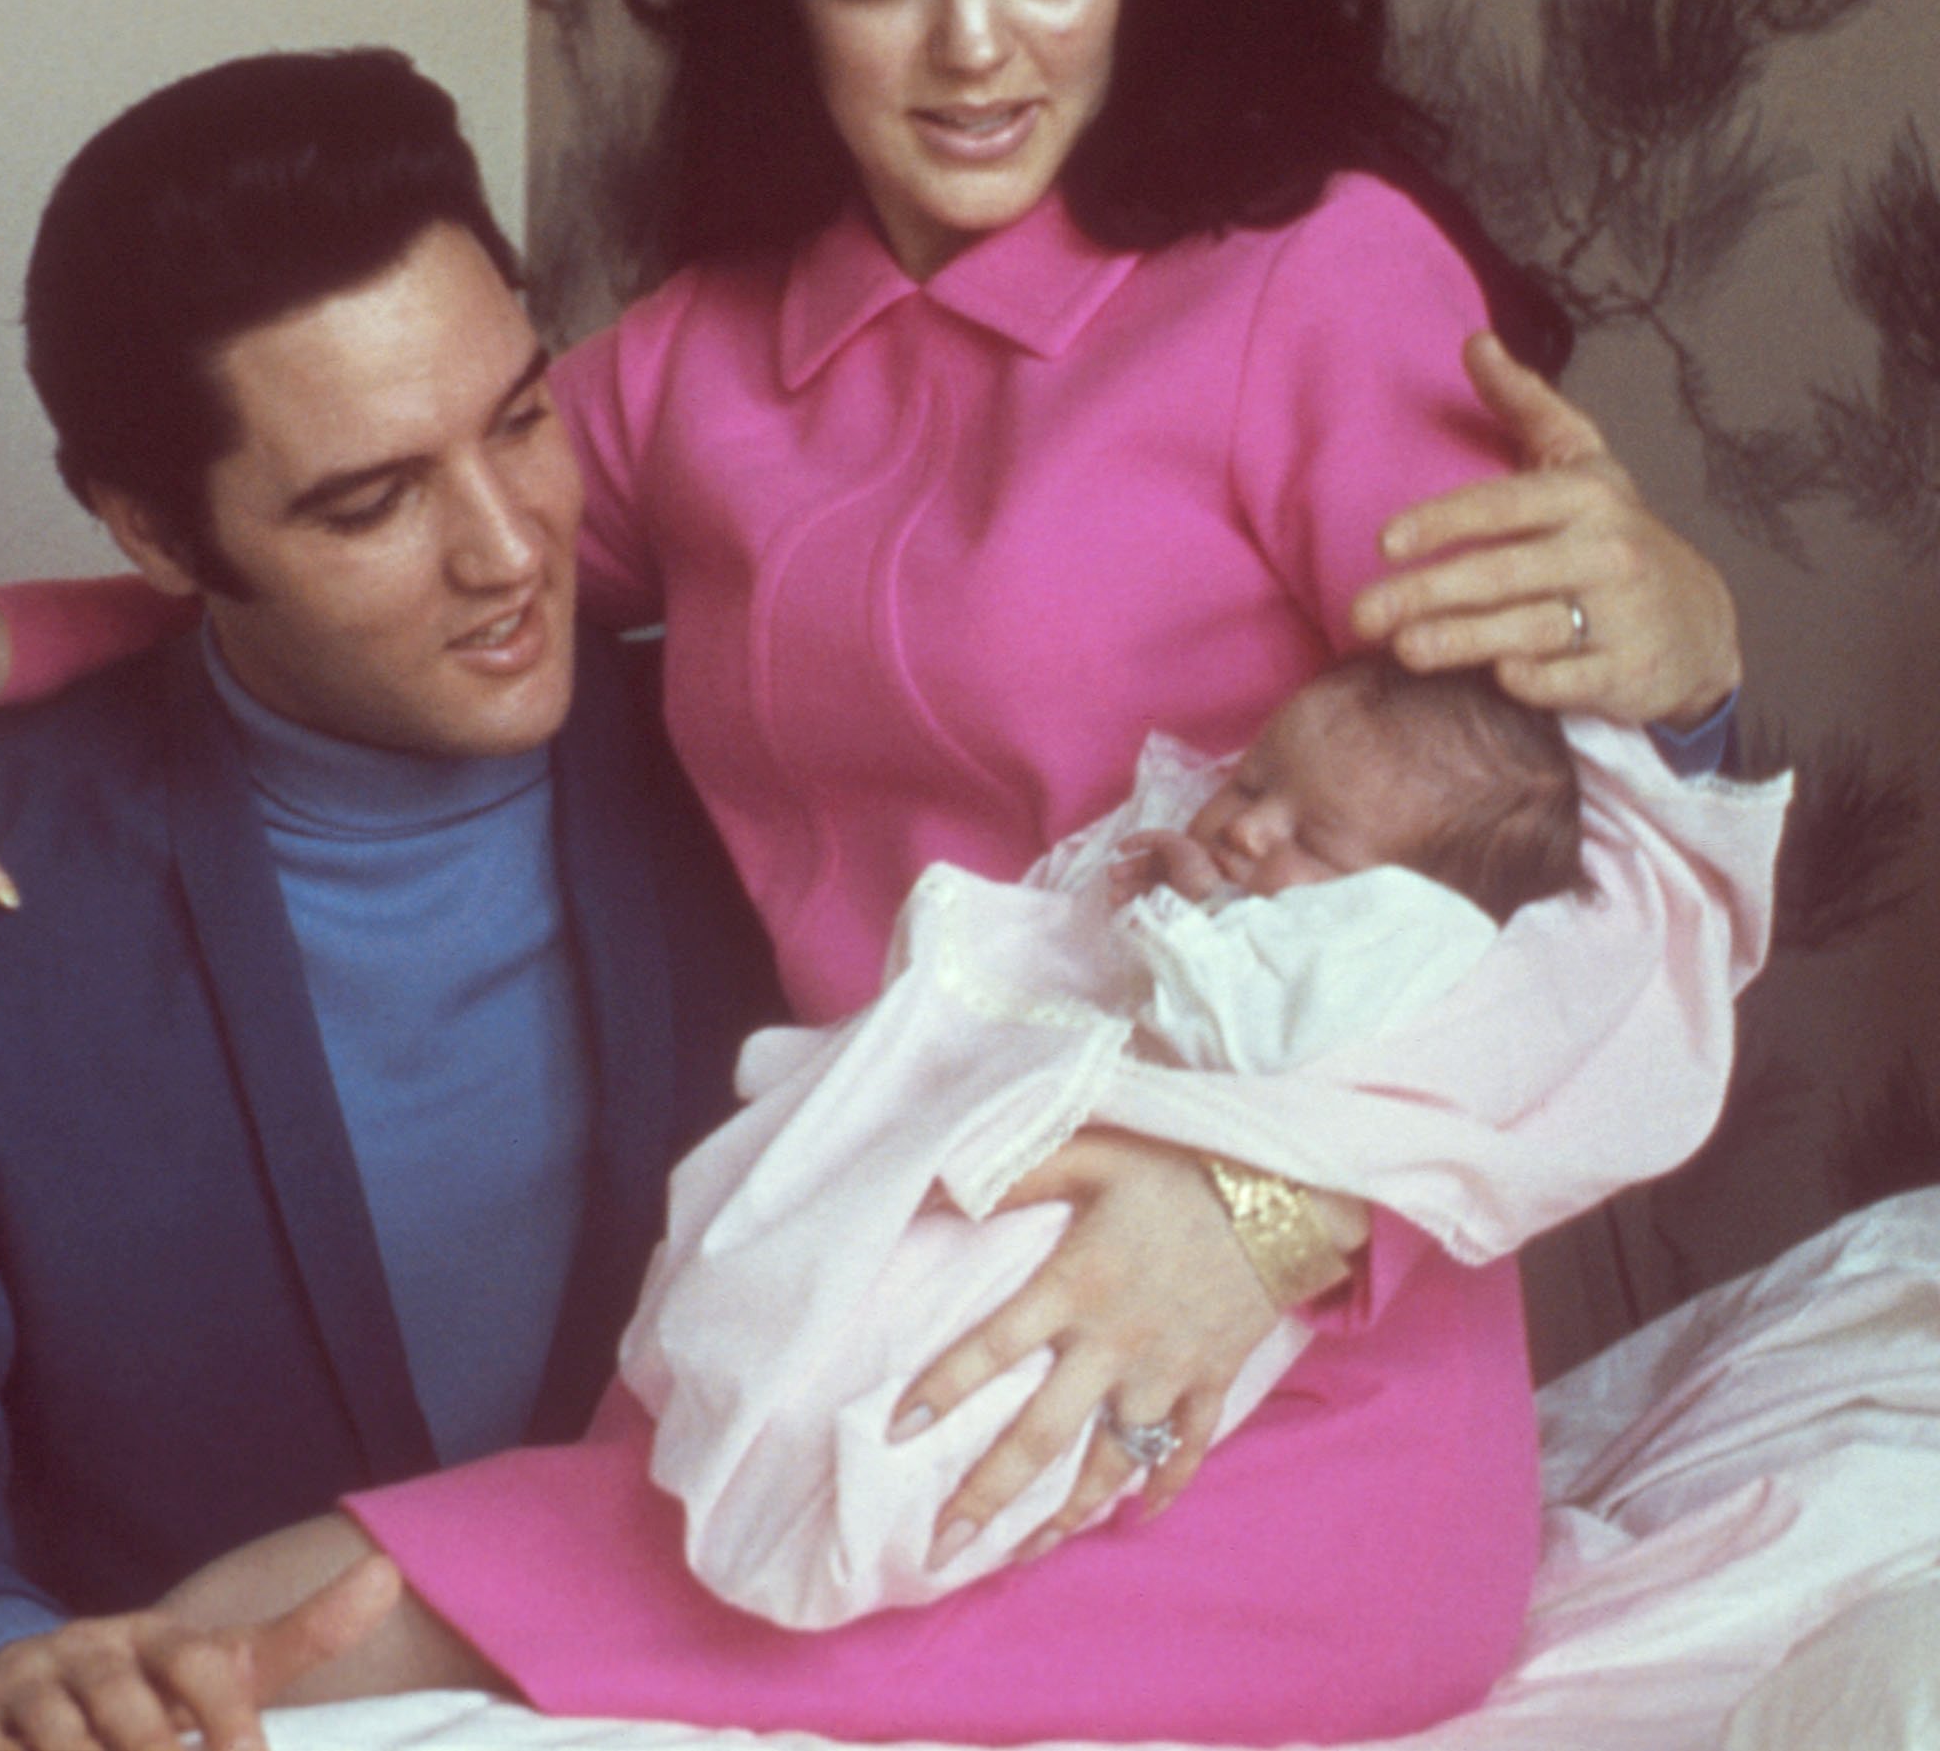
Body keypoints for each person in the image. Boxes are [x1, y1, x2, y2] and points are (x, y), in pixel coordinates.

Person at [0, 0, 1747, 1748]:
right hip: (818, 1373)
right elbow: (357, 555)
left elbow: (1601, 895)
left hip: (1232, 1414)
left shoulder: (1318, 288)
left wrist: (1265, 1224)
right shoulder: (700, 368)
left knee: (282, 1699)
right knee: (181, 1655)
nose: (975, 53)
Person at [0, 50, 777, 1747]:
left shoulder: (768, 757)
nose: (507, 549)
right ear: (158, 535)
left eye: (521, 419)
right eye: (373, 501)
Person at [627, 659, 1785, 1631]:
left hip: (1206, 1197)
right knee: (849, 1236)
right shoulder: (1277, 860)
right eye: (1256, 779)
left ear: (1409, 905)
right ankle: (762, 1401)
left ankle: (852, 1495)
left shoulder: (1416, 948)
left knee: (985, 1349)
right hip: (1092, 1134)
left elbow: (1262, 1030)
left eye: (1315, 844)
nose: (1246, 823)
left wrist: (1181, 915)